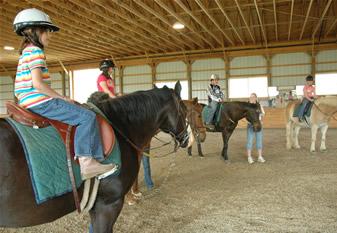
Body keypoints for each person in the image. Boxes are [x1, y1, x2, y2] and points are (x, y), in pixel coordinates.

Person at [13, 8, 116, 180]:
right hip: (40, 101)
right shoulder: (36, 52)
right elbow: (38, 84)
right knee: (87, 117)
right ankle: (87, 162)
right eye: (47, 31)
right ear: (33, 31)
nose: (50, 36)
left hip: (26, 101)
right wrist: (62, 97)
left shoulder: (26, 52)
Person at [246, 93, 265, 164]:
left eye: (253, 97)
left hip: (258, 125)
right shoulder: (247, 107)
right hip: (250, 125)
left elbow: (262, 114)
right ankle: (249, 157)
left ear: (256, 98)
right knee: (249, 141)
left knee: (259, 141)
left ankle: (260, 156)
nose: (252, 98)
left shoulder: (259, 106)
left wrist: (261, 120)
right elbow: (245, 117)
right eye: (250, 97)